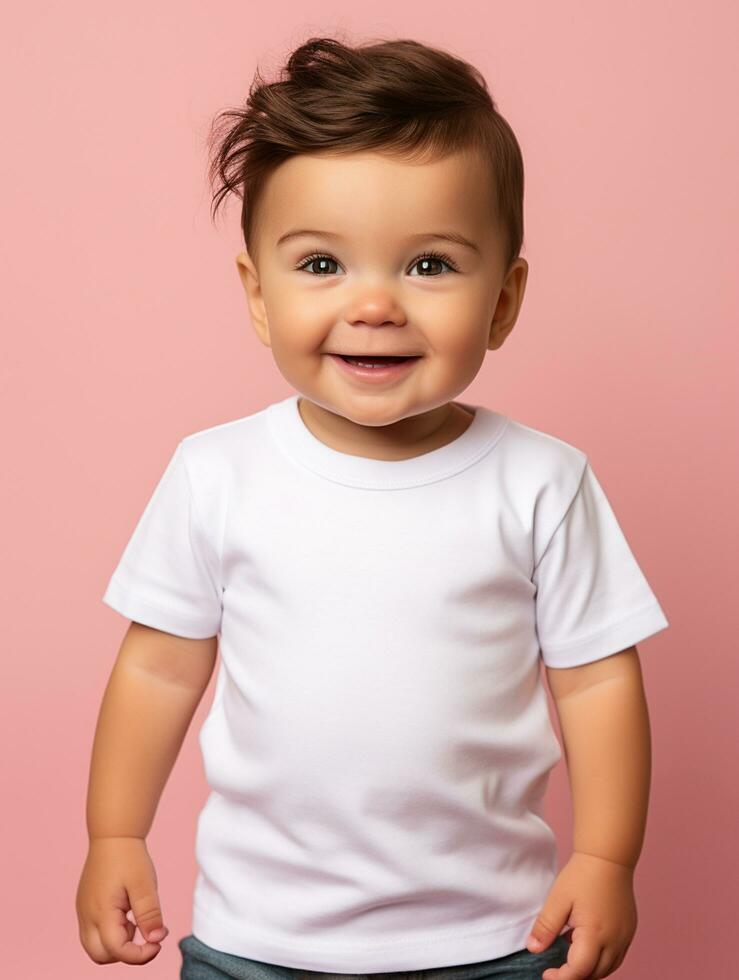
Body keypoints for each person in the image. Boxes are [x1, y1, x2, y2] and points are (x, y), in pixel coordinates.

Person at [76, 35, 670, 980]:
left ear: (505, 301)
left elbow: (596, 682)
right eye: (320, 266)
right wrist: (115, 833)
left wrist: (606, 858)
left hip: (491, 937)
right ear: (258, 297)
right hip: (256, 940)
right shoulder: (217, 473)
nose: (375, 304)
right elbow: (157, 670)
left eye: (430, 266)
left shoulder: (540, 482)